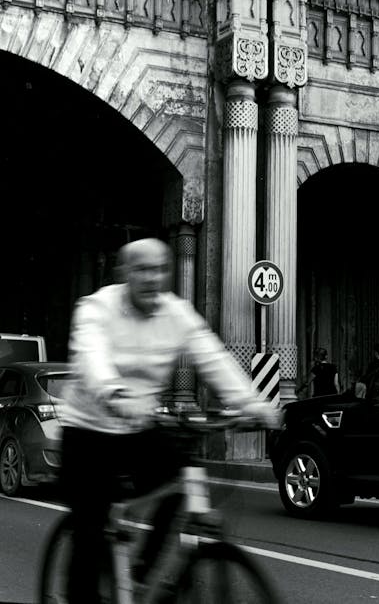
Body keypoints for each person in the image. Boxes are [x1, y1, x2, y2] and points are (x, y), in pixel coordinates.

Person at [60, 237, 278, 604]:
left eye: (160, 269)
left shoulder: (177, 313)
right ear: (124, 273)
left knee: (178, 481)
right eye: (142, 269)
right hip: (88, 430)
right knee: (89, 531)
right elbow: (91, 355)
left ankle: (140, 575)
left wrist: (251, 403)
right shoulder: (96, 307)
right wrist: (115, 393)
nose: (152, 278)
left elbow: (213, 357)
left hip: (138, 428)